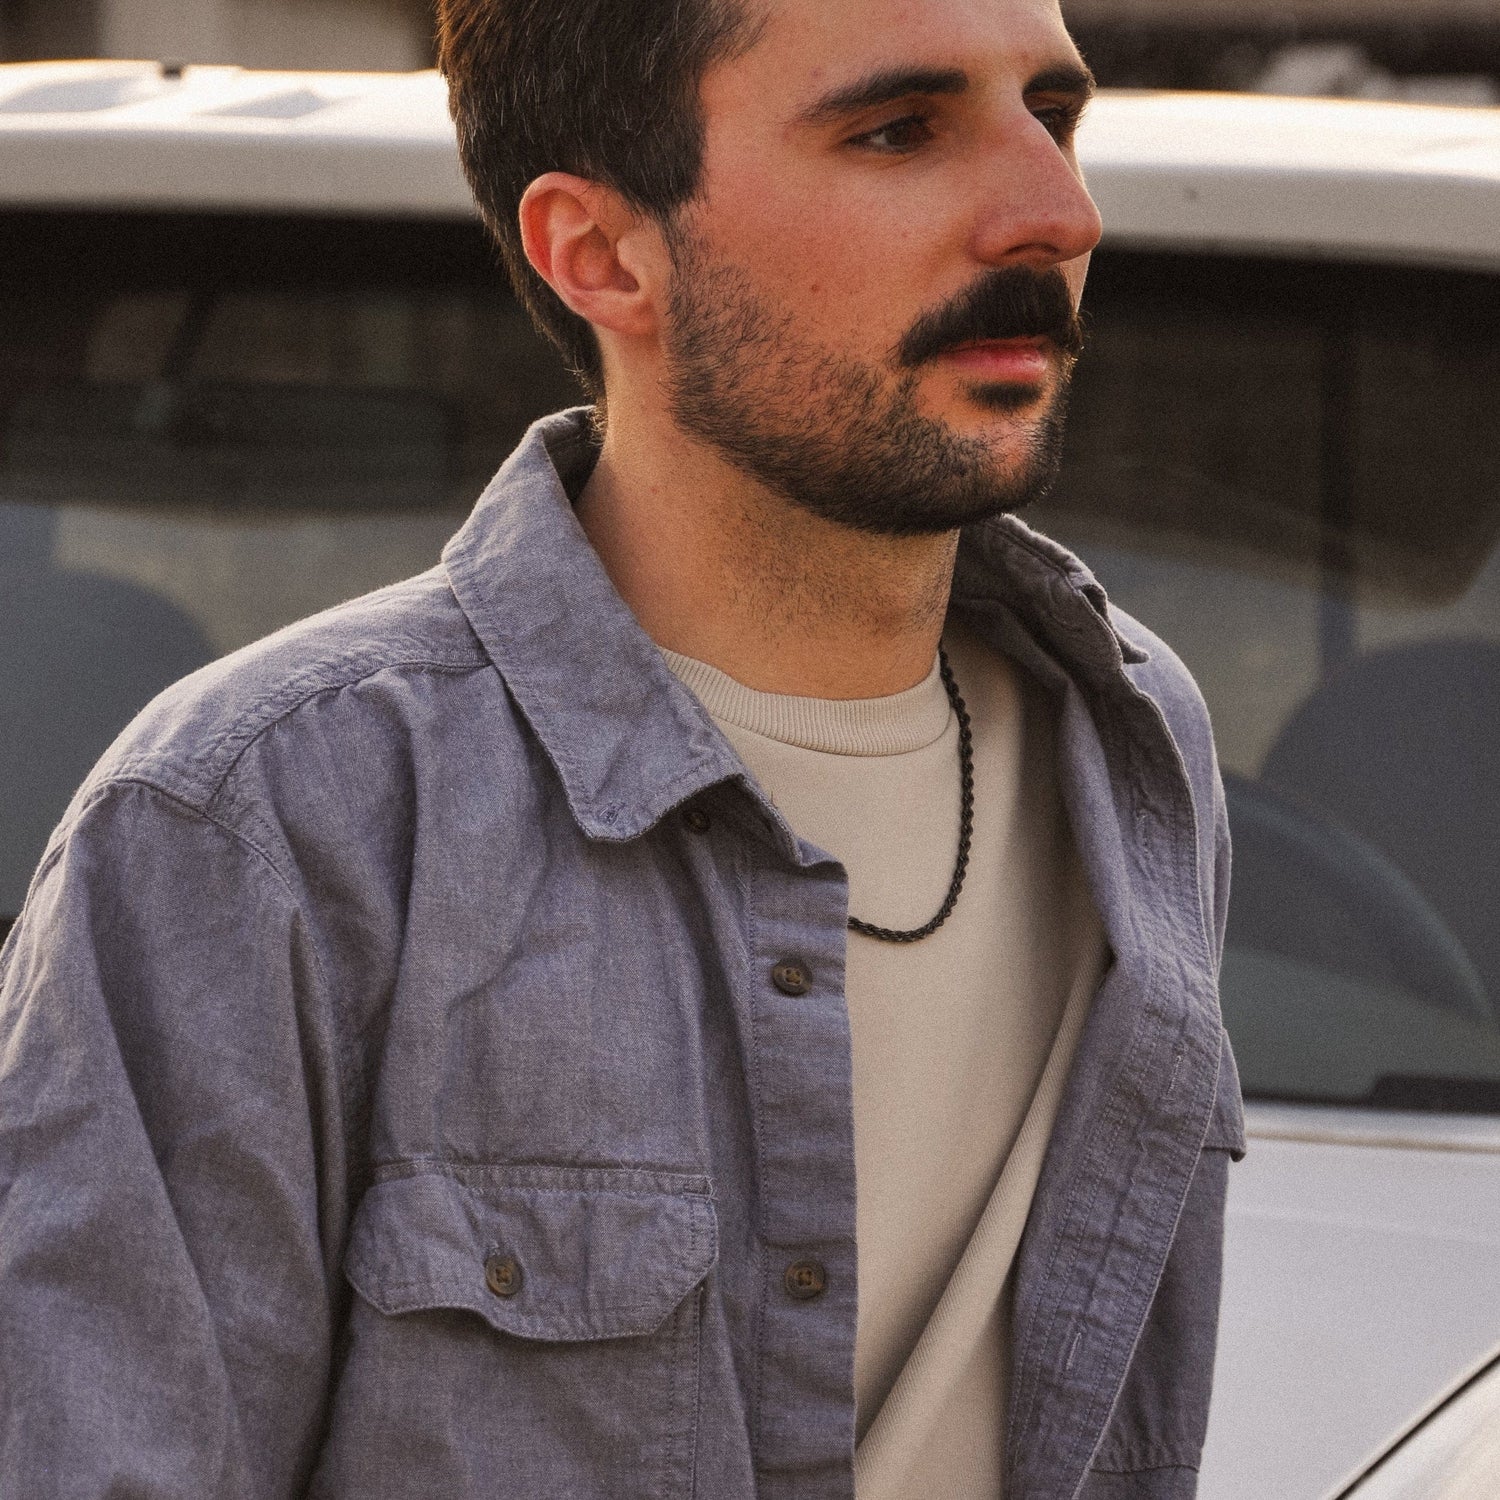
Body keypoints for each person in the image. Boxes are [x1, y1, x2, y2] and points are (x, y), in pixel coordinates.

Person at [0, 0, 1245, 1495]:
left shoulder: (1130, 741)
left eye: (1052, 112)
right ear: (598, 253)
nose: (1057, 210)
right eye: (899, 130)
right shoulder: (264, 821)